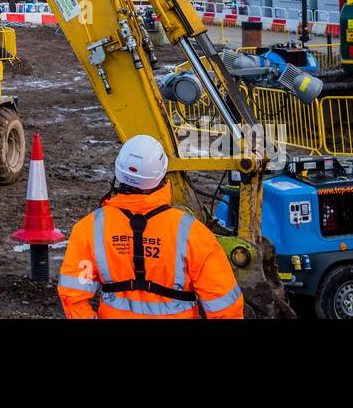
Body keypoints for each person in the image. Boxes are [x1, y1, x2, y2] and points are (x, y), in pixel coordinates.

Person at [57, 135, 244, 318]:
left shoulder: (90, 228)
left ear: (119, 173)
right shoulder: (192, 233)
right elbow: (225, 306)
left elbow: (73, 295)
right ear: (162, 174)